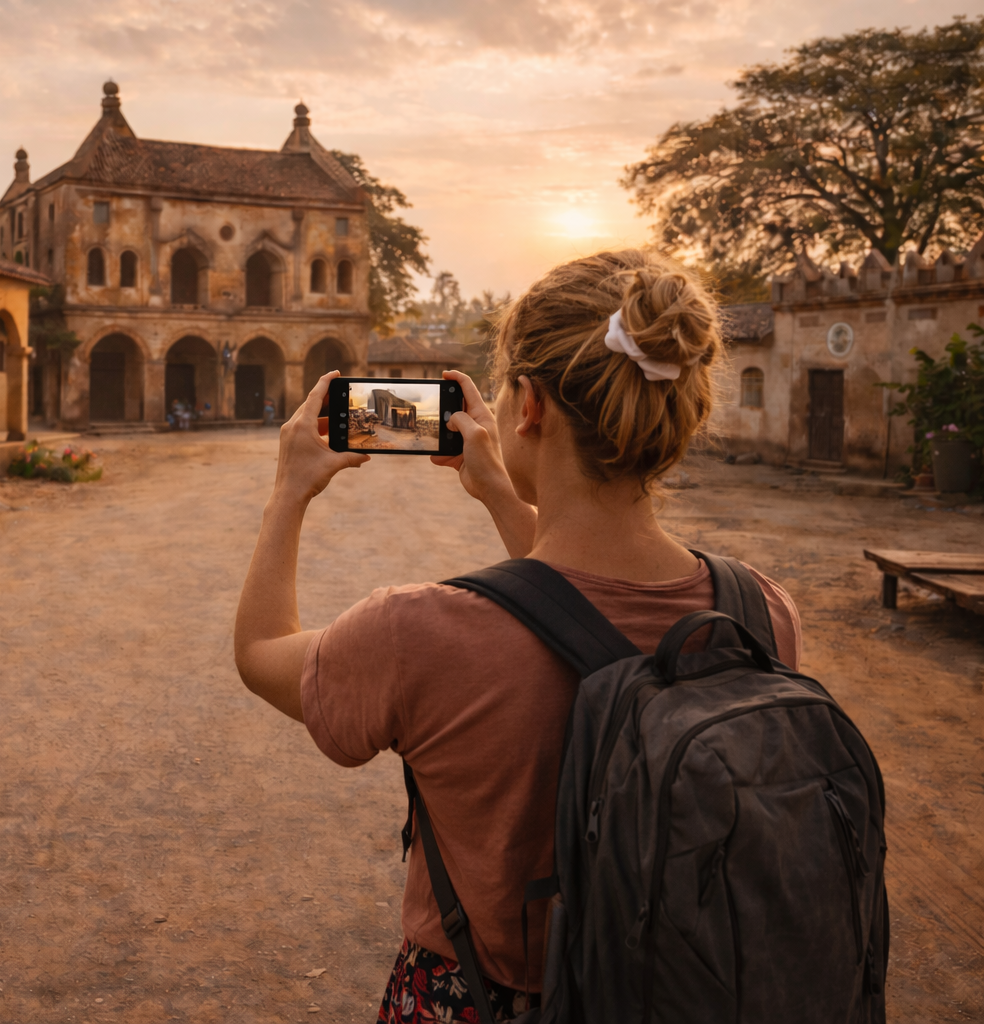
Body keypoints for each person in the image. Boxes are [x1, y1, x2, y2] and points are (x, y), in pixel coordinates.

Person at [233, 250, 801, 1022]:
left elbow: (262, 653)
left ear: (528, 406)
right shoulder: (761, 614)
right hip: (687, 993)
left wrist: (289, 491)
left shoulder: (423, 632)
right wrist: (502, 490)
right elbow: (586, 600)